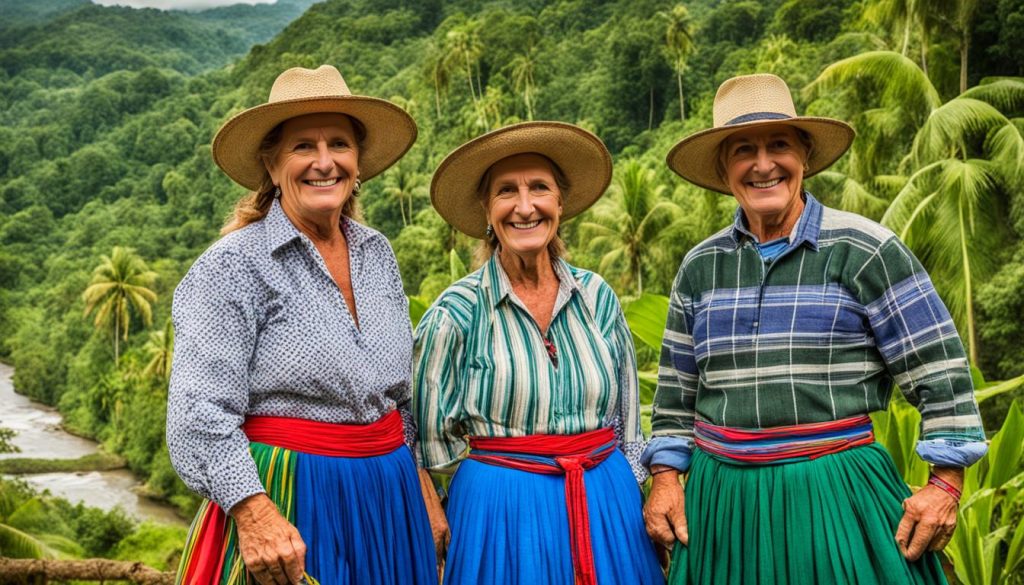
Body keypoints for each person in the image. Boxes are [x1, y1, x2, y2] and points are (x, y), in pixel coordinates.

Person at [642, 73, 988, 584]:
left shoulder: (866, 250)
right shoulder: (700, 267)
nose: (763, 165)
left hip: (836, 489)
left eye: (778, 144)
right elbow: (674, 398)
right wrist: (667, 478)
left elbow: (940, 372)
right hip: (724, 504)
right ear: (723, 168)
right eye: (743, 150)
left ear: (804, 154)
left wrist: (945, 485)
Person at [166, 65, 439, 585]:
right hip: (289, 499)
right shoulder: (233, 265)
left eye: (338, 143)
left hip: (389, 498)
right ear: (271, 165)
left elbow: (398, 398)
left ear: (357, 163)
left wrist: (419, 480)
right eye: (302, 147)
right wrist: (253, 511)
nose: (323, 161)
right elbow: (197, 412)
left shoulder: (377, 252)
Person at [414, 121, 664, 585]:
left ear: (560, 204)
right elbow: (428, 445)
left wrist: (624, 494)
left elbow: (628, 424)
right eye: (506, 191)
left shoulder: (596, 296)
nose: (524, 207)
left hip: (605, 504)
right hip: (500, 514)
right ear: (487, 210)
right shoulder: (456, 313)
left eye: (539, 189)